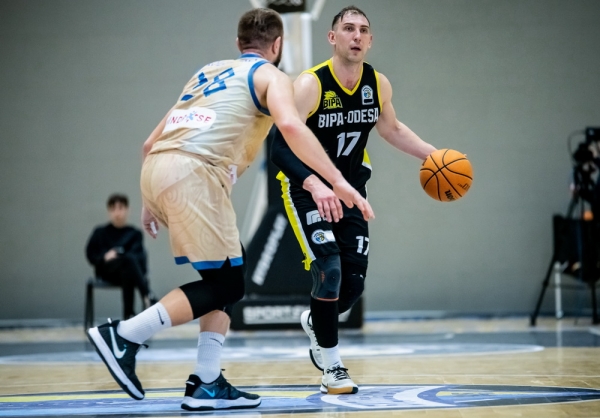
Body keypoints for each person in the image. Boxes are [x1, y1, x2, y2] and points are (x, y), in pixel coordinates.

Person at [86, 8, 374, 412]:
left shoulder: (206, 72)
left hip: (158, 168)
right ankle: (125, 334)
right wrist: (336, 180)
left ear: (239, 44)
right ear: (278, 45)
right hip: (195, 172)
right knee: (228, 285)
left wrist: (151, 198)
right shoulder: (272, 76)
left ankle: (206, 381)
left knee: (229, 270)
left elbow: (150, 143)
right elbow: (292, 128)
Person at [270, 5, 437, 395]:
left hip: (351, 191)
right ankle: (333, 368)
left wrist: (433, 154)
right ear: (332, 37)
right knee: (328, 269)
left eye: (363, 30)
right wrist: (315, 184)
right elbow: (279, 148)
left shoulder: (377, 84)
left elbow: (391, 128)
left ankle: (316, 322)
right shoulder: (310, 85)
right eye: (348, 28)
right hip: (307, 189)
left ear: (370, 40)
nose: (356, 35)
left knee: (351, 287)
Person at [85, 193, 156, 319]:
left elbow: (138, 257)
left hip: (128, 273)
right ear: (108, 212)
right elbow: (90, 254)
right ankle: (147, 296)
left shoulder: (134, 233)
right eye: (113, 209)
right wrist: (105, 257)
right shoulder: (100, 232)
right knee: (128, 262)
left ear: (127, 210)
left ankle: (128, 315)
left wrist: (121, 255)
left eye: (120, 208)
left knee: (127, 266)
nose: (117, 213)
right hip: (107, 271)